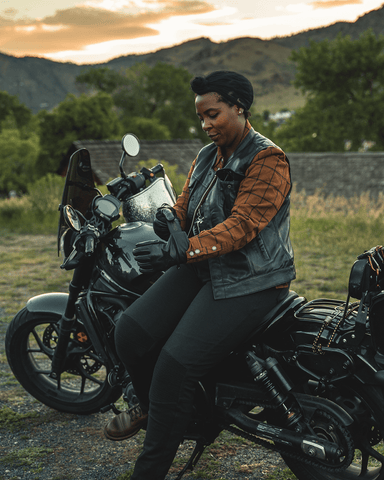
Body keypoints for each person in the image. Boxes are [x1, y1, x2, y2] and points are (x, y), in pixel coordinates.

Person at [104, 70, 296, 479]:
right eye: (201, 117)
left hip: (254, 279)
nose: (206, 124)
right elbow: (186, 205)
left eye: (213, 114)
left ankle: (150, 468)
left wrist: (183, 249)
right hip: (205, 267)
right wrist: (165, 218)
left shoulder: (268, 159)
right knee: (129, 333)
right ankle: (161, 410)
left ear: (239, 108)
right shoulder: (208, 155)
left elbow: (243, 224)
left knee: (175, 366)